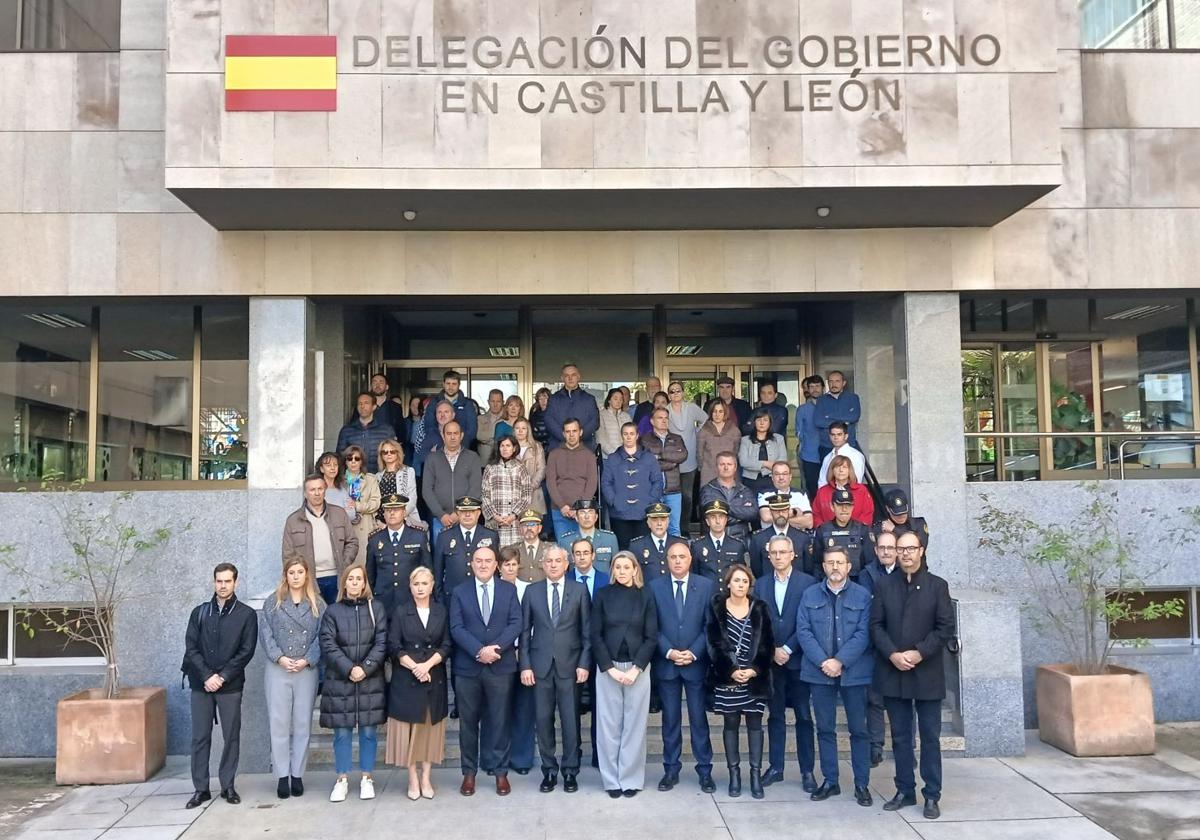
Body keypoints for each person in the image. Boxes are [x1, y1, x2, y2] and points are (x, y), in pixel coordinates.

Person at [872, 531, 955, 820]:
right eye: (900, 549)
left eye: (910, 548)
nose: (905, 553)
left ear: (921, 550)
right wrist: (893, 654)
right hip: (893, 671)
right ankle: (904, 789)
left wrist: (919, 653)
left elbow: (945, 628)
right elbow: (876, 627)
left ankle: (931, 794)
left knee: (930, 736)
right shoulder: (884, 585)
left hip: (927, 672)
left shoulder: (937, 586)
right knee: (900, 736)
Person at [795, 547, 874, 806]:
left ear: (849, 567)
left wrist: (840, 661)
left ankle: (862, 784)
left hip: (854, 672)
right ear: (824, 567)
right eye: (830, 562)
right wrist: (823, 662)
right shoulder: (810, 594)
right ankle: (830, 780)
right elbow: (803, 631)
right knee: (825, 729)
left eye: (840, 562)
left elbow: (863, 633)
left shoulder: (863, 596)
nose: (835, 567)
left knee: (859, 730)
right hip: (819, 673)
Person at [183, 563, 258, 809]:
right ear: (213, 582)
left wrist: (223, 676)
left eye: (227, 581)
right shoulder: (200, 612)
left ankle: (228, 786)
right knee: (200, 737)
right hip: (201, 684)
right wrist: (207, 676)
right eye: (219, 581)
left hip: (230, 685)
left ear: (235, 582)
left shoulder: (246, 615)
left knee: (231, 737)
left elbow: (246, 652)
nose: (223, 585)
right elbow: (191, 647)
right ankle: (201, 789)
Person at [449, 545, 523, 796]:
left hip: (501, 666)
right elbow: (456, 627)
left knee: (500, 721)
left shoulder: (508, 590)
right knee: (469, 724)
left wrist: (497, 648)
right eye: (478, 561)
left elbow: (516, 622)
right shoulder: (459, 592)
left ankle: (501, 774)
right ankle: (469, 774)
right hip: (468, 668)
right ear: (471, 564)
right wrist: (479, 651)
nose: (483, 565)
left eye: (488, 561)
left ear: (496, 565)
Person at [519, 545, 592, 794]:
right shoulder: (532, 591)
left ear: (566, 564)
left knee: (570, 722)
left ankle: (570, 771)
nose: (552, 565)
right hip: (539, 667)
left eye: (557, 560)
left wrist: (584, 663)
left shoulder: (579, 591)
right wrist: (525, 665)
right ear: (542, 564)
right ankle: (549, 771)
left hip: (570, 667)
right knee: (543, 720)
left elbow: (587, 633)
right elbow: (524, 633)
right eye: (548, 561)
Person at [650, 541, 717, 794]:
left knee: (699, 720)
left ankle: (705, 770)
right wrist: (668, 651)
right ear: (667, 560)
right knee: (670, 721)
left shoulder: (706, 586)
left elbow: (709, 624)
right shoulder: (655, 587)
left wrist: (693, 652)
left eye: (682, 557)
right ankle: (670, 769)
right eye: (673, 557)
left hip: (695, 664)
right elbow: (652, 625)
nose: (677, 561)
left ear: (690, 559)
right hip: (667, 664)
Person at [591, 551, 658, 798]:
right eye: (617, 567)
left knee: (634, 725)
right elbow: (595, 634)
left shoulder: (646, 595)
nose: (621, 571)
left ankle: (630, 779)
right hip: (608, 667)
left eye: (626, 567)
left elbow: (652, 636)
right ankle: (611, 781)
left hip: (637, 668)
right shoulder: (602, 595)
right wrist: (609, 668)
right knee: (609, 725)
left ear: (635, 569)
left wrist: (636, 668)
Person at [753, 535, 817, 793]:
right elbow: (757, 623)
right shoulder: (760, 584)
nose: (778, 557)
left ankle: (807, 770)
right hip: (772, 663)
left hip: (798, 661)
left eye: (783, 552)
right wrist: (772, 651)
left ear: (793, 554)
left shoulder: (808, 583)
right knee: (775, 716)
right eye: (774, 553)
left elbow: (808, 622)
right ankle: (776, 767)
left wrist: (788, 648)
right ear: (768, 556)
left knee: (803, 716)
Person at [320, 563, 387, 803]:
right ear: (344, 583)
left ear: (364, 583)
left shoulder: (376, 608)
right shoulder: (333, 611)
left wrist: (365, 668)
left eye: (359, 578)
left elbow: (381, 642)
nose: (355, 583)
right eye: (351, 578)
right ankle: (342, 779)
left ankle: (367, 778)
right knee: (342, 732)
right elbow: (328, 644)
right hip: (341, 680)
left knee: (369, 732)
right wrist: (349, 668)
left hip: (370, 680)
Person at [706, 563, 773, 799]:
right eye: (736, 580)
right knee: (730, 726)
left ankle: (755, 775)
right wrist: (731, 670)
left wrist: (754, 669)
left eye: (744, 581)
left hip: (754, 679)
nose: (740, 585)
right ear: (728, 583)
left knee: (755, 726)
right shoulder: (717, 608)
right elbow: (713, 644)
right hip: (728, 679)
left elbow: (767, 644)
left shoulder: (760, 608)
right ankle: (734, 775)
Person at [385, 566, 452, 801]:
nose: (420, 588)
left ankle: (426, 777)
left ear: (432, 585)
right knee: (409, 732)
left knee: (429, 731)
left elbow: (446, 644)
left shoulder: (441, 611)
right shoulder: (401, 612)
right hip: (407, 679)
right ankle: (412, 777)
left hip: (434, 677)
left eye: (425, 583)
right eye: (416, 584)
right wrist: (415, 667)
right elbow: (393, 645)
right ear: (410, 587)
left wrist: (427, 666)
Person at [260, 556, 324, 800]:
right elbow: (265, 633)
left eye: (300, 572)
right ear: (285, 575)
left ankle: (297, 774)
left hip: (306, 669)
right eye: (291, 572)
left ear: (306, 574)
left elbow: (322, 634)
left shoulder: (317, 603)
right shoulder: (273, 602)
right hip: (279, 668)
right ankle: (281, 775)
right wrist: (279, 657)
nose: (295, 576)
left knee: (302, 723)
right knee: (279, 723)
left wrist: (309, 658)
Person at [282, 474, 358, 606]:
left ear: (325, 490)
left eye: (320, 489)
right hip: (309, 579)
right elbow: (288, 554)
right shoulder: (293, 520)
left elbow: (352, 542)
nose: (316, 493)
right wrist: (298, 576)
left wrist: (344, 564)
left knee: (337, 619)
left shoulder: (339, 513)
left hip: (337, 578)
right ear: (305, 493)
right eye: (312, 490)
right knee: (314, 621)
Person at [861, 529, 899, 766]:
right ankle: (876, 745)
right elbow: (869, 606)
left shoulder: (906, 572)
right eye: (882, 548)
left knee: (903, 700)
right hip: (875, 644)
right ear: (876, 550)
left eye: (890, 548)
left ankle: (905, 746)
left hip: (901, 645)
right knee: (874, 699)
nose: (886, 552)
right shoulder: (867, 574)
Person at [499, 547, 536, 775]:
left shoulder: (528, 590)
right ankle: (499, 757)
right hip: (499, 656)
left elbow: (530, 624)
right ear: (499, 567)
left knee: (524, 709)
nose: (510, 568)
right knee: (500, 710)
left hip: (524, 654)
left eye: (514, 564)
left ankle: (522, 759)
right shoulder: (492, 588)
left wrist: (523, 653)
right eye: (506, 565)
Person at [601, 422, 665, 549]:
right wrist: (614, 501)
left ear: (637, 436)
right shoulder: (613, 458)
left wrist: (650, 502)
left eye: (631, 434)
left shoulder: (649, 458)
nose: (628, 437)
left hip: (643, 512)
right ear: (621, 436)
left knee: (643, 551)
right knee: (623, 550)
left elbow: (657, 481)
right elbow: (606, 482)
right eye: (625, 434)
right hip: (620, 514)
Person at [366, 494, 432, 615]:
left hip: (410, 599)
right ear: (384, 514)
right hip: (383, 602)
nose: (392, 513)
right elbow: (371, 574)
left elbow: (427, 570)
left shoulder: (418, 536)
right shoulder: (375, 539)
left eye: (396, 509)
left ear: (404, 512)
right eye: (388, 510)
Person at [422, 420, 484, 544]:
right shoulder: (432, 458)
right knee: (441, 558)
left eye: (455, 433)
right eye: (449, 433)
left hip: (466, 517)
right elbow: (427, 490)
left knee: (466, 556)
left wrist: (459, 512)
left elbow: (475, 488)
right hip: (440, 520)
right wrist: (441, 514)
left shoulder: (472, 457)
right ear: (443, 436)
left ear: (461, 435)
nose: (452, 437)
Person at [433, 496, 498, 607]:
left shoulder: (491, 536)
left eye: (471, 511)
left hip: (482, 598)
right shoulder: (444, 537)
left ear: (478, 513)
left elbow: (495, 571)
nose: (467, 515)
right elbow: (437, 574)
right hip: (452, 599)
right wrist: (440, 603)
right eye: (463, 511)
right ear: (458, 513)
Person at [544, 418, 598, 540]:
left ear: (581, 432)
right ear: (563, 434)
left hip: (583, 512)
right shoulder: (554, 454)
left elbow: (592, 483)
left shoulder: (589, 455)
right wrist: (562, 506)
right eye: (568, 431)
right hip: (559, 510)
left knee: (583, 549)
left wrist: (579, 508)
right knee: (564, 549)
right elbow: (550, 483)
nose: (571, 435)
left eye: (574, 431)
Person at [666, 380, 708, 531]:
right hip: (671, 461)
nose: (675, 393)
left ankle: (684, 529)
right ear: (669, 395)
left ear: (683, 392)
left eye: (678, 390)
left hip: (690, 458)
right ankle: (672, 528)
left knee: (687, 497)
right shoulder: (665, 410)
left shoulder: (691, 408)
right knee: (672, 497)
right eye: (672, 391)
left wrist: (696, 433)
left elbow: (706, 420)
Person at [812, 487, 878, 580]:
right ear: (832, 506)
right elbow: (817, 565)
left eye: (848, 505)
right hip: (829, 583)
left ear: (853, 507)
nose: (844, 509)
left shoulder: (863, 530)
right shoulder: (823, 530)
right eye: (840, 505)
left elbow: (870, 564)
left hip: (858, 582)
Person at [641, 408, 688, 537]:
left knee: (674, 529)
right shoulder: (645, 440)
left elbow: (682, 456)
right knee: (653, 529)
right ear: (652, 421)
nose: (663, 420)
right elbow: (646, 462)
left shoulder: (677, 438)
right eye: (660, 418)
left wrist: (659, 456)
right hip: (652, 491)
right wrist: (671, 463)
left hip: (673, 490)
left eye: (666, 418)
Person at [481, 434, 533, 547]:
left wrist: (513, 515)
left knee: (513, 557)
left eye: (508, 445)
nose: (505, 449)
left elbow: (527, 495)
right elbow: (484, 495)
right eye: (502, 446)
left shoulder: (521, 468)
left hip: (514, 522)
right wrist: (495, 516)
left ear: (514, 448)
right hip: (495, 522)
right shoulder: (490, 468)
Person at [749, 493, 816, 579]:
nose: (781, 514)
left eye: (784, 511)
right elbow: (757, 570)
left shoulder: (803, 538)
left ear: (789, 511)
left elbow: (808, 568)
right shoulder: (758, 539)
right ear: (771, 512)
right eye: (776, 511)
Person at [698, 452, 759, 545]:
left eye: (729, 464)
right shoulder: (708, 489)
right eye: (722, 464)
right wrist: (740, 516)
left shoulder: (745, 490)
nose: (726, 468)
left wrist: (723, 509)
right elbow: (709, 512)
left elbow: (752, 513)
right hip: (712, 541)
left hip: (741, 540)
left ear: (735, 467)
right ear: (717, 467)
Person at [336, 391, 396, 473]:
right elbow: (340, 456)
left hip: (379, 477)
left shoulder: (386, 430)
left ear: (374, 406)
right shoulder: (347, 430)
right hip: (354, 478)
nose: (362, 406)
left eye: (366, 403)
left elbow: (394, 456)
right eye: (359, 403)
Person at [628, 502, 687, 583]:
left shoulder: (680, 543)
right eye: (655, 520)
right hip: (648, 594)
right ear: (648, 523)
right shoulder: (637, 545)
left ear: (668, 522)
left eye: (663, 520)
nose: (659, 524)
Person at [544, 363, 600, 450]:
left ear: (578, 377)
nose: (570, 378)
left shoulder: (589, 399)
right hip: (558, 448)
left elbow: (594, 422)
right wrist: (566, 438)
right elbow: (549, 420)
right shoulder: (554, 399)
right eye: (567, 375)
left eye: (573, 375)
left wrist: (577, 438)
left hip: (584, 448)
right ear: (562, 378)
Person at [343, 444, 382, 567]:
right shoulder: (339, 480)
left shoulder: (370, 479)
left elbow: (376, 502)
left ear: (362, 461)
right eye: (350, 459)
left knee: (364, 563)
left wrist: (357, 506)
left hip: (365, 525)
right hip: (345, 525)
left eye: (357, 459)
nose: (353, 462)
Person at [691, 499, 747, 583]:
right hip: (706, 594)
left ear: (726, 520)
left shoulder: (737, 545)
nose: (717, 521)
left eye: (721, 517)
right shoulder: (697, 546)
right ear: (707, 521)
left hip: (729, 594)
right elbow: (694, 575)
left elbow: (741, 574)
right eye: (713, 517)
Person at [555, 498, 618, 573]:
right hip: (575, 584)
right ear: (576, 518)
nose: (587, 516)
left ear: (596, 517)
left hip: (604, 584)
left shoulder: (609, 539)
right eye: (582, 512)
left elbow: (616, 567)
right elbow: (562, 571)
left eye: (590, 512)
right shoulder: (565, 541)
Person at [812, 455, 875, 528]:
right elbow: (816, 514)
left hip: (856, 534)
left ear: (849, 470)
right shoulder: (823, 491)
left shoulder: (861, 490)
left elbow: (867, 513)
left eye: (844, 467)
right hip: (828, 535)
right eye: (837, 467)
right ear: (832, 470)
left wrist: (858, 530)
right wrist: (823, 530)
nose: (841, 470)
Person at [422, 369, 479, 448]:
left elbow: (472, 430)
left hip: (462, 448)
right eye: (448, 383)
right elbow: (429, 426)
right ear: (443, 384)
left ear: (459, 385)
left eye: (454, 384)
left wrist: (459, 444)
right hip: (438, 448)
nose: (450, 387)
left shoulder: (467, 404)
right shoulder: (434, 402)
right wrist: (440, 443)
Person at [375, 438, 423, 528]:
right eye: (385, 452)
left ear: (398, 453)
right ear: (381, 455)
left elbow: (412, 499)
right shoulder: (377, 476)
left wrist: (398, 519)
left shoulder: (408, 471)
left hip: (405, 520)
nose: (388, 454)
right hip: (383, 523)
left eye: (392, 451)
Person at [739, 407, 788, 492]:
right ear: (754, 422)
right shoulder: (745, 440)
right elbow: (743, 461)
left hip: (772, 479)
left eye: (765, 420)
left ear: (770, 423)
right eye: (759, 420)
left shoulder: (779, 439)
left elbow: (782, 461)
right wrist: (765, 463)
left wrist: (770, 468)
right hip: (750, 481)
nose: (762, 423)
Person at [814, 371, 862, 456]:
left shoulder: (853, 398)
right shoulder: (821, 400)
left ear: (844, 383)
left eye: (837, 381)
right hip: (827, 446)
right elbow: (818, 421)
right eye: (831, 381)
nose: (833, 384)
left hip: (849, 445)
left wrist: (829, 416)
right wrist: (845, 421)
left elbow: (854, 417)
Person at [697, 398, 742, 487]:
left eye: (720, 411)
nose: (717, 414)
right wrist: (704, 467)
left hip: (728, 472)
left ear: (725, 413)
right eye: (715, 411)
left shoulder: (734, 430)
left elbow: (737, 452)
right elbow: (699, 453)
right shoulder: (704, 430)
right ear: (711, 413)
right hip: (708, 472)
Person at [756, 461, 813, 531]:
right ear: (772, 477)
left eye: (785, 474)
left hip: (796, 536)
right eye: (777, 474)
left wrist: (778, 519)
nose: (781, 477)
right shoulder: (764, 494)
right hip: (770, 536)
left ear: (790, 476)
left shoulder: (801, 494)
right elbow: (766, 518)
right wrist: (794, 512)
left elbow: (809, 522)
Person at [796, 375, 825, 499]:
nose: (815, 389)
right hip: (809, 454)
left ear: (823, 388)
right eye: (811, 386)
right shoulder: (802, 409)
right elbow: (799, 431)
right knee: (812, 487)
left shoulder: (829, 407)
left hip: (828, 452)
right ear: (807, 389)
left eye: (817, 386)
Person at [512, 418, 548, 519]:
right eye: (517, 428)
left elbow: (541, 469)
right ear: (513, 430)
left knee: (533, 525)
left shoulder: (537, 447)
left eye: (523, 428)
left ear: (528, 430)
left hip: (534, 493)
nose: (520, 431)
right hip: (513, 494)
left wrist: (531, 486)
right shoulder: (508, 446)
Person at [816, 421, 867, 490]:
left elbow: (856, 483)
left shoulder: (856, 456)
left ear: (846, 436)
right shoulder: (827, 457)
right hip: (828, 497)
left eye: (839, 434)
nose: (836, 437)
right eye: (833, 434)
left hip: (849, 498)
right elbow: (822, 482)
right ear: (830, 436)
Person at [413, 400, 455, 479]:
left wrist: (434, 455)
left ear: (453, 415)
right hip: (434, 480)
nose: (442, 415)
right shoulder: (430, 435)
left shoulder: (459, 434)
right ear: (435, 415)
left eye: (446, 412)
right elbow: (422, 457)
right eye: (439, 412)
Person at [507, 508, 549, 582]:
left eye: (532, 525)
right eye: (525, 525)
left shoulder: (550, 549)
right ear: (520, 529)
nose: (529, 528)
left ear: (539, 528)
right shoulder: (513, 550)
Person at [316, 450, 354, 519]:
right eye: (328, 465)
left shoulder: (343, 489)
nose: (332, 468)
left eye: (335, 465)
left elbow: (351, 515)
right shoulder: (316, 490)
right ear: (322, 469)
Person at [368, 373, 404, 441]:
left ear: (387, 387)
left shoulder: (395, 407)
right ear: (371, 386)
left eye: (381, 382)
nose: (377, 385)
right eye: (374, 382)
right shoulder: (363, 406)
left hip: (388, 448)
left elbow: (401, 431)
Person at [597, 388, 632, 457]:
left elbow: (632, 436)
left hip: (626, 456)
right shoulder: (601, 415)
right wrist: (615, 454)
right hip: (608, 457)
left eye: (621, 399)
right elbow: (601, 439)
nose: (618, 401)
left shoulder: (627, 416)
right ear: (609, 400)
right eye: (615, 399)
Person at [476, 389, 505, 464]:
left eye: (498, 401)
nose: (495, 405)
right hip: (484, 463)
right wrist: (499, 436)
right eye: (492, 401)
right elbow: (479, 436)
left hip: (504, 462)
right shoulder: (480, 419)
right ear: (488, 402)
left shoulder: (507, 418)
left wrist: (487, 440)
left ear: (503, 402)